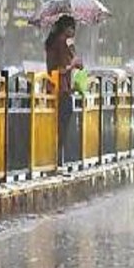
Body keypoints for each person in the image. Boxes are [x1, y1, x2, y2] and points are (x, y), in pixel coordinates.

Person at [45, 15, 83, 166]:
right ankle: (56, 158)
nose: (74, 31)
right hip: (61, 89)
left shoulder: (64, 43)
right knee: (61, 125)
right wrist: (73, 64)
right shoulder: (60, 43)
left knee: (60, 125)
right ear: (66, 28)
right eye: (72, 28)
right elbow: (61, 68)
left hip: (60, 88)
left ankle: (57, 158)